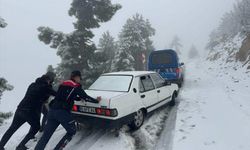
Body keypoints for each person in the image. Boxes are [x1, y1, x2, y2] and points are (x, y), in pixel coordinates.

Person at [35, 70, 100, 150]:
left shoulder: (63, 84)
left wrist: (78, 98)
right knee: (72, 131)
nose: (80, 80)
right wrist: (96, 100)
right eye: (80, 78)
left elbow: (66, 96)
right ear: (76, 77)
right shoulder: (76, 86)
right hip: (62, 113)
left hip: (52, 111)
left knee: (46, 135)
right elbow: (86, 97)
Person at [0, 72, 56, 150]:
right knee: (36, 127)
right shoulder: (46, 87)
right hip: (29, 112)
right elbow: (56, 95)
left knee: (12, 128)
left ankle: (0, 145)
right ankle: (20, 146)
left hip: (20, 109)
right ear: (50, 79)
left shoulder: (32, 85)